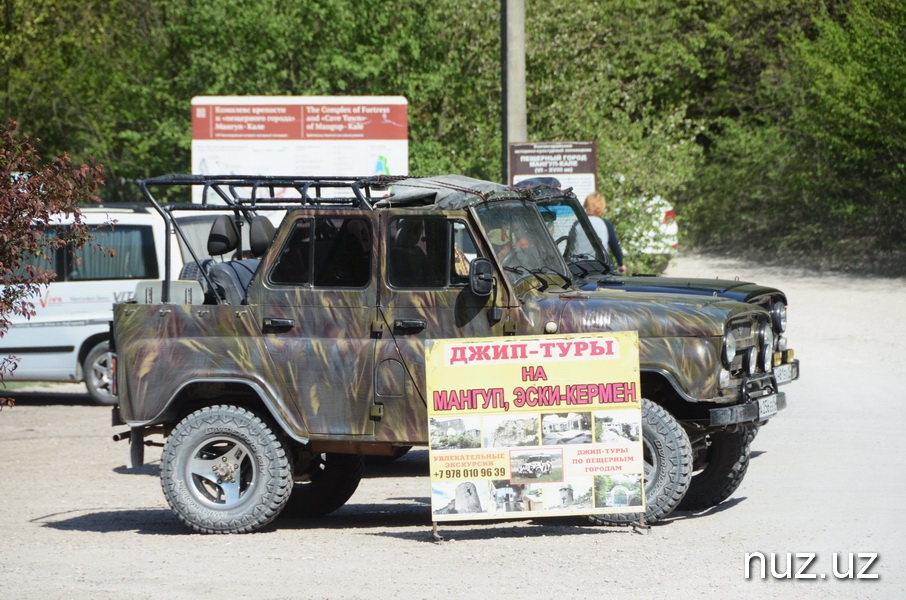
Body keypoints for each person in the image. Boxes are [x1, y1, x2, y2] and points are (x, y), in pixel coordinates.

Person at [583, 192, 626, 274]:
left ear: (586, 205)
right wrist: (621, 264)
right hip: (599, 268)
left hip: (578, 268)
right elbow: (615, 247)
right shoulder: (605, 224)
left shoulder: (577, 223)